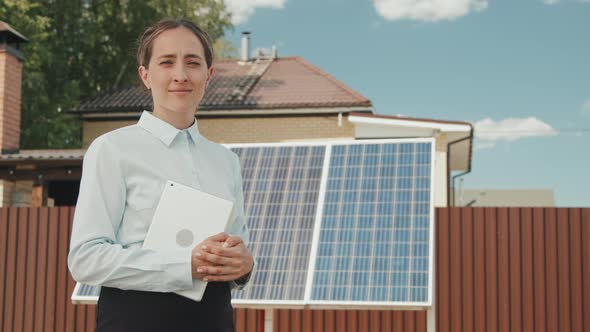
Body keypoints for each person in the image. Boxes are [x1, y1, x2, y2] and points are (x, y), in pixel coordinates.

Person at [67, 18, 254, 332]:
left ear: (208, 76)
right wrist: (184, 265)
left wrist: (244, 266)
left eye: (192, 63)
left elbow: (236, 249)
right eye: (167, 62)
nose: (180, 75)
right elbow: (86, 259)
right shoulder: (112, 150)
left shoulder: (226, 161)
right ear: (145, 75)